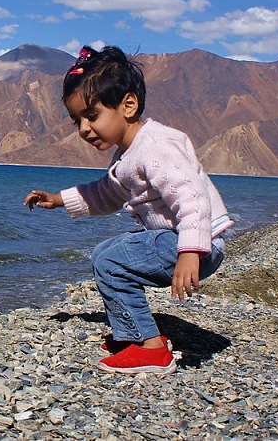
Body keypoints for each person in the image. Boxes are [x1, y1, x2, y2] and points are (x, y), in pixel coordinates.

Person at [23, 45, 233, 375]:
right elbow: (106, 193)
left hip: (197, 242)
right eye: (77, 121)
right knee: (105, 253)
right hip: (185, 240)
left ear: (128, 105)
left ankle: (149, 348)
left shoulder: (156, 146)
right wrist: (60, 198)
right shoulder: (129, 154)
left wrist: (191, 250)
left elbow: (191, 196)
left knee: (111, 260)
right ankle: (132, 334)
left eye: (92, 116)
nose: (84, 129)